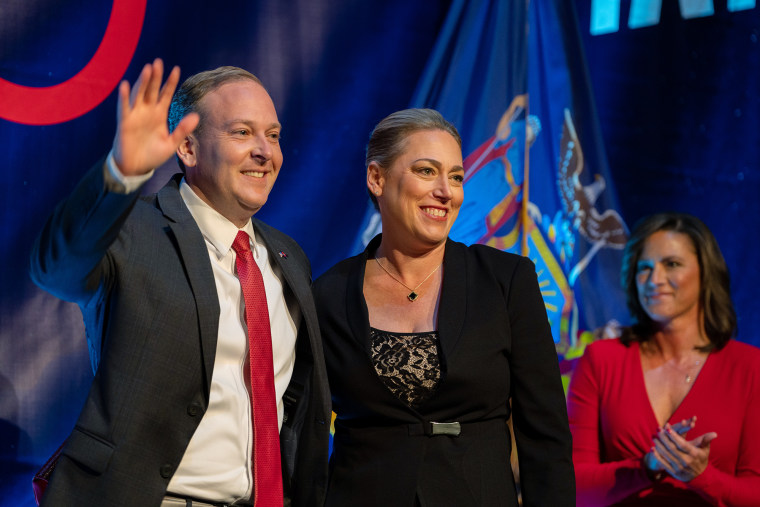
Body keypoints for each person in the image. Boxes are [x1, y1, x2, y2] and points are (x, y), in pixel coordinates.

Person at [29, 59, 330, 507]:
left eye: (273, 134)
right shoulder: (133, 232)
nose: (265, 151)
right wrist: (120, 172)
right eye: (242, 132)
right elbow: (57, 269)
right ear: (188, 149)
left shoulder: (289, 257)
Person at [313, 108, 575, 506]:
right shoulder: (328, 293)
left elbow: (545, 434)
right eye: (426, 171)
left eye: (455, 176)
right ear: (376, 178)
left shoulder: (506, 280)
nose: (446, 191)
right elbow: (304, 431)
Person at [567, 212, 760, 506]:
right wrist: (647, 468)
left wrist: (701, 475)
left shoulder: (750, 367)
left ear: (706, 272)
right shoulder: (601, 359)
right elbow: (573, 486)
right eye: (644, 268)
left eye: (671, 264)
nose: (655, 280)